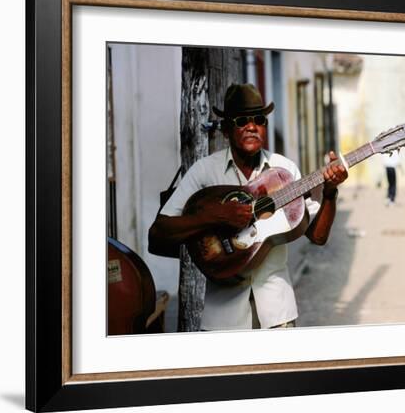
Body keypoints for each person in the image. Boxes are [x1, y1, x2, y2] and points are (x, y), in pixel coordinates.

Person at [148, 83, 348, 331]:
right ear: (226, 129)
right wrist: (215, 216)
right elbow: (158, 231)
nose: (252, 126)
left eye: (259, 119)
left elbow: (317, 236)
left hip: (278, 315)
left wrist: (329, 192)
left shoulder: (284, 171)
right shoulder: (204, 172)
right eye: (242, 120)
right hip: (222, 320)